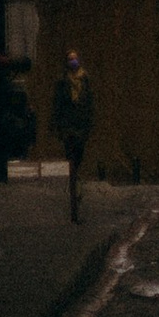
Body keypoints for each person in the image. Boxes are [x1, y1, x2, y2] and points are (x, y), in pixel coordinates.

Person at [51, 51, 96, 221]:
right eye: (70, 59)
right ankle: (74, 190)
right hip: (68, 126)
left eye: (75, 58)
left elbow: (90, 102)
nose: (73, 61)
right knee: (71, 158)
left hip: (81, 125)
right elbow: (57, 104)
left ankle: (75, 183)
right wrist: (56, 126)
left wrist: (90, 123)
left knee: (79, 155)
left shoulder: (85, 79)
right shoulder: (62, 82)